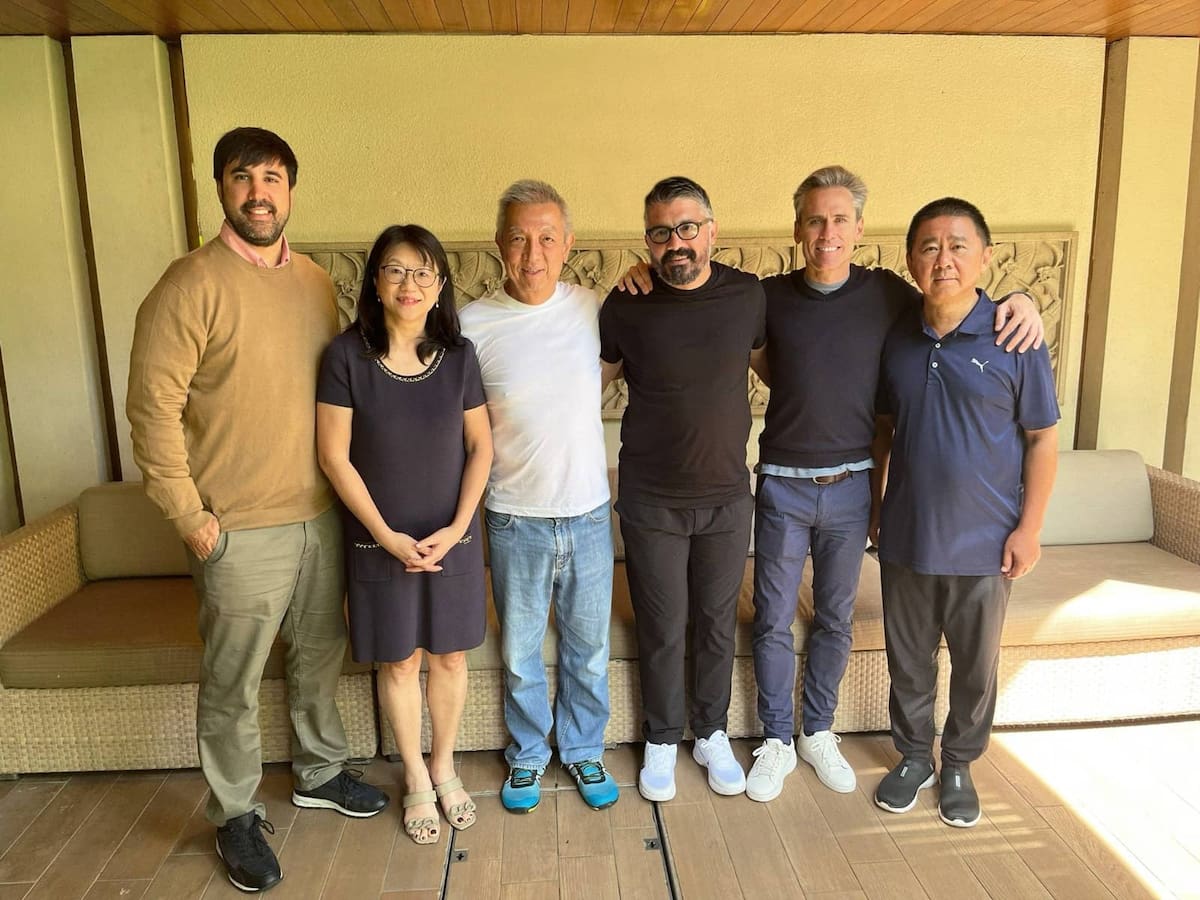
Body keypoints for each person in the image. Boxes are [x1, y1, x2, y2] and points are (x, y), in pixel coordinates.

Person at [617, 165, 1043, 803]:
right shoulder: (764, 297)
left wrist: (1021, 299)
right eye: (814, 220)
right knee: (772, 620)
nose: (827, 232)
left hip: (852, 486)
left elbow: (953, 300)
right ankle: (777, 739)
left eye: (840, 219)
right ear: (797, 229)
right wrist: (642, 275)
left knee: (834, 620)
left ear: (860, 228)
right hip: (782, 484)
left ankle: (818, 730)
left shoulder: (889, 294)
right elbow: (702, 295)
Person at [127, 126, 388, 893]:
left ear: (290, 190)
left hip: (318, 516)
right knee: (233, 681)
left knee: (319, 655)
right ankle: (234, 813)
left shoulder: (314, 282)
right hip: (236, 527)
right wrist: (190, 516)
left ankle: (319, 772)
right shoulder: (188, 284)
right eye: (242, 177)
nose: (258, 192)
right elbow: (151, 411)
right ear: (221, 189)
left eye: (272, 178)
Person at [872, 197, 1059, 828]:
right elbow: (883, 431)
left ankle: (958, 763)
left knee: (975, 669)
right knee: (908, 662)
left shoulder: (1015, 337)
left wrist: (1030, 529)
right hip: (906, 538)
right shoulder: (896, 339)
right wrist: (875, 507)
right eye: (929, 247)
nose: (943, 259)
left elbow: (1042, 438)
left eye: (958, 246)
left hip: (985, 544)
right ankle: (913, 757)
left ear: (985, 257)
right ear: (910, 260)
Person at [316, 224, 492, 845]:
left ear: (439, 284)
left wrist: (459, 526)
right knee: (398, 660)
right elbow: (334, 456)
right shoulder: (345, 357)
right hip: (378, 540)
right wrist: (386, 535)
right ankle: (414, 773)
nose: (409, 283)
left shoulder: (460, 357)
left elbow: (481, 446)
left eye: (423, 272)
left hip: (452, 538)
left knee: (450, 655)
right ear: (375, 281)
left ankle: (444, 765)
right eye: (395, 269)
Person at [600, 176, 767, 802]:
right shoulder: (626, 304)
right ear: (647, 240)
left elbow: (785, 363)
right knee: (664, 626)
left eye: (687, 228)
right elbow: (589, 383)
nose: (676, 243)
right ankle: (663, 738)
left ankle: (712, 733)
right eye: (660, 232)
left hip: (727, 497)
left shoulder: (748, 296)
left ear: (712, 232)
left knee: (717, 623)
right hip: (651, 501)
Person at [458, 181, 618, 814]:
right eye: (520, 238)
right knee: (521, 652)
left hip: (588, 513)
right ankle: (527, 754)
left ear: (568, 243)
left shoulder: (597, 310)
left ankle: (583, 749)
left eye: (548, 238)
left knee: (589, 650)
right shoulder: (471, 324)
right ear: (499, 244)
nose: (534, 253)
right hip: (513, 517)